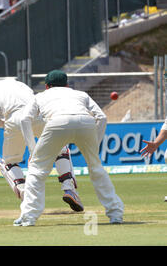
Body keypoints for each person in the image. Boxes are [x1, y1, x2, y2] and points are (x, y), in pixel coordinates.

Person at [15, 70, 124, 226]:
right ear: (67, 85)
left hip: (57, 123)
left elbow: (25, 119)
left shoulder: (40, 96)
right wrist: (95, 144)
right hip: (85, 122)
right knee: (96, 169)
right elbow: (102, 117)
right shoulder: (80, 94)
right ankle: (116, 214)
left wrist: (33, 150)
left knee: (37, 170)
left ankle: (28, 217)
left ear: (46, 86)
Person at [0, 69, 83, 210]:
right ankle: (69, 189)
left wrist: (4, 124)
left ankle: (25, 193)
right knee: (60, 149)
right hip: (35, 115)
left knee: (10, 162)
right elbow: (32, 96)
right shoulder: (13, 82)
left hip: (13, 119)